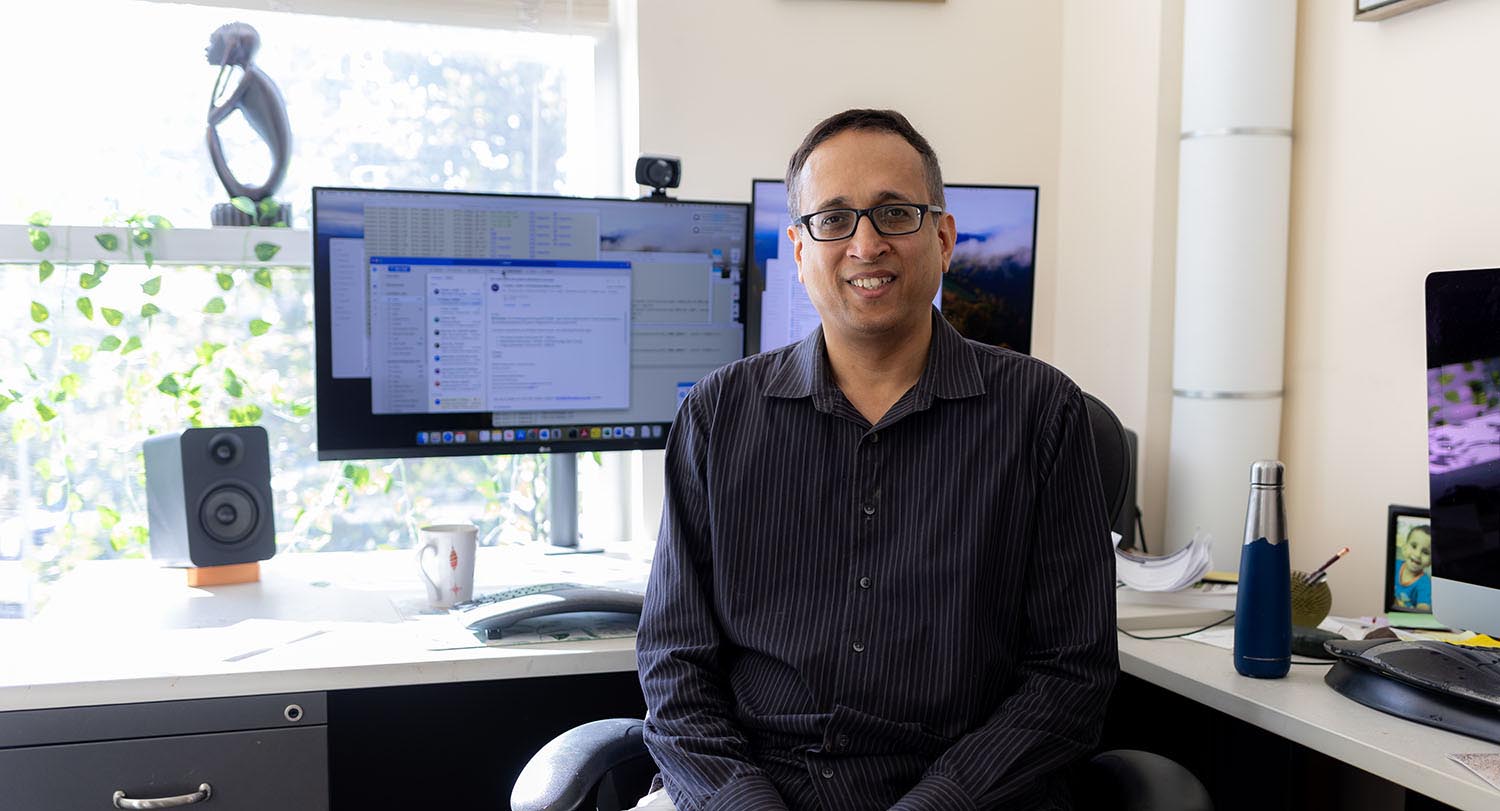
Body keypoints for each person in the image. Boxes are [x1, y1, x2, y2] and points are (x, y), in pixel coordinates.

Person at [635, 109, 1117, 811]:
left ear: (943, 238)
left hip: (963, 795)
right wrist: (741, 800)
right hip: (755, 787)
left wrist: (939, 802)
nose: (866, 243)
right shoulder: (719, 414)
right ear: (798, 252)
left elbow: (1071, 677)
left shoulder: (1044, 413)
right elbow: (674, 665)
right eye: (833, 218)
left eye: (894, 213)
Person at [1393, 524, 1433, 612]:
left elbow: (1423, 608)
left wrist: (1420, 609)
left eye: (1425, 552)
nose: (1417, 554)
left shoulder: (1425, 584)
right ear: (1404, 548)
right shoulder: (1395, 565)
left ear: (1430, 562)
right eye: (1414, 546)